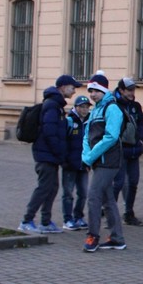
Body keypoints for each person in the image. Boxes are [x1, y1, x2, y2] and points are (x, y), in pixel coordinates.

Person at [19, 75, 83, 234]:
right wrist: (59, 151)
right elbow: (50, 132)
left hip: (50, 155)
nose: (74, 91)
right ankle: (26, 220)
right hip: (46, 155)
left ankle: (46, 222)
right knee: (44, 188)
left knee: (52, 188)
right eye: (72, 87)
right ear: (63, 87)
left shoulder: (56, 105)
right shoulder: (52, 106)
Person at [81, 72, 126, 252]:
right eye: (90, 91)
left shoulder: (112, 108)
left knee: (93, 197)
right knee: (108, 200)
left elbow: (111, 137)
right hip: (98, 161)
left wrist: (90, 157)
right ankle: (117, 238)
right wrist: (86, 156)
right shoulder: (95, 110)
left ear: (104, 90)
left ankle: (93, 236)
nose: (92, 94)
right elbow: (86, 136)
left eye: (96, 90)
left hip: (109, 162)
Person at [112, 77, 143, 226]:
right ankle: (110, 212)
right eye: (129, 90)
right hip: (120, 150)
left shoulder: (136, 106)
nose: (132, 92)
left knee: (133, 182)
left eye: (133, 89)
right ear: (121, 90)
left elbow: (141, 124)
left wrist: (141, 140)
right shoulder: (114, 105)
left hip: (134, 149)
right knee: (118, 183)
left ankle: (129, 213)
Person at [61, 95, 91, 231]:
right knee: (68, 193)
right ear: (76, 107)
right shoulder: (69, 121)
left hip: (84, 164)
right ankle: (67, 219)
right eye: (82, 107)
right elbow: (63, 142)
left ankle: (78, 216)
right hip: (70, 164)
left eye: (86, 107)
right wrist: (64, 160)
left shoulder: (89, 122)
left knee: (83, 193)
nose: (84, 110)